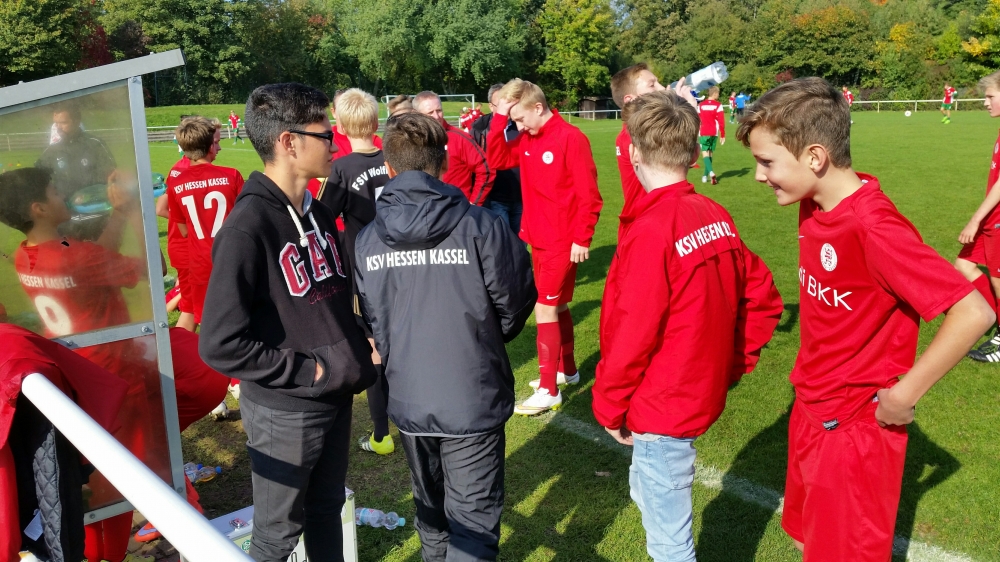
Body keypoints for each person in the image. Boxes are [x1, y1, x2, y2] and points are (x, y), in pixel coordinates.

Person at [737, 76, 993, 562]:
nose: (759, 176)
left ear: (815, 157)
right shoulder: (813, 203)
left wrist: (902, 396)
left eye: (766, 162)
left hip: (853, 426)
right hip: (810, 403)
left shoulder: (873, 226)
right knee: (806, 537)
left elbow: (973, 311)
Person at [594, 89, 783, 562]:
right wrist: (733, 363)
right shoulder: (713, 213)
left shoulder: (652, 229)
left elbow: (631, 332)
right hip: (690, 392)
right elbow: (763, 297)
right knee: (647, 492)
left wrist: (609, 404)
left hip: (662, 405)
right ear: (696, 153)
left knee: (670, 542)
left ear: (633, 153)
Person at [199, 83, 376, 562]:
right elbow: (219, 343)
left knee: (326, 508)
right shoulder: (246, 227)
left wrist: (360, 340)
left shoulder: (318, 212)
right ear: (289, 142)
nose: (336, 143)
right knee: (276, 535)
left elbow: (330, 297)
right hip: (286, 409)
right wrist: (308, 371)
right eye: (325, 134)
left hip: (336, 394)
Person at [354, 112, 535, 562]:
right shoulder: (481, 225)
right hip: (469, 394)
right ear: (443, 162)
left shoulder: (369, 239)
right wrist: (482, 339)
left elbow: (374, 319)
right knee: (466, 524)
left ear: (389, 167)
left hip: (413, 396)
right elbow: (514, 302)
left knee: (434, 516)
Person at [487, 78, 603, 415]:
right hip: (538, 238)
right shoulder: (527, 138)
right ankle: (568, 370)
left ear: (538, 107)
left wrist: (582, 237)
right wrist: (500, 117)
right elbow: (496, 158)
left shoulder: (571, 138)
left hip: (561, 240)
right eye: (514, 122)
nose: (519, 126)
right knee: (559, 305)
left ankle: (549, 390)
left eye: (521, 119)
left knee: (545, 309)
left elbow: (589, 195)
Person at [316, 88, 394, 455]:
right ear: (376, 122)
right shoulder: (393, 157)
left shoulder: (343, 168)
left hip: (365, 268)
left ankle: (381, 434)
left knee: (374, 346)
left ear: (341, 128)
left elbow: (321, 216)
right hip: (400, 261)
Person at [166, 116, 244, 328]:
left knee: (206, 320)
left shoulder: (176, 183)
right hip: (231, 257)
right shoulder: (232, 175)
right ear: (209, 146)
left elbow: (183, 229)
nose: (219, 147)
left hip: (200, 262)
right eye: (216, 143)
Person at [955, 70, 1000, 362]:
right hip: (991, 217)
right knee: (963, 264)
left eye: (990, 96)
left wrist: (975, 219)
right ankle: (995, 318)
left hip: (997, 218)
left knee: (998, 278)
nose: (985, 102)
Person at [609, 62, 665, 238]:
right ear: (630, 100)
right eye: (652, 85)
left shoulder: (635, 133)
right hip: (646, 225)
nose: (662, 89)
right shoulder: (635, 136)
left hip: (652, 220)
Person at [414, 91, 494, 205]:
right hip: (425, 210)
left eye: (439, 110)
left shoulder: (460, 138)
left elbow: (486, 170)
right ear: (417, 115)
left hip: (456, 209)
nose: (436, 116)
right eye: (430, 112)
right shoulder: (413, 141)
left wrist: (474, 203)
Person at [35, 103, 115, 198]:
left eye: (63, 123)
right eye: (56, 123)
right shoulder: (52, 150)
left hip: (94, 203)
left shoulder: (95, 144)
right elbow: (36, 179)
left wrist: (88, 195)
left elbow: (111, 174)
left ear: (77, 122)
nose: (58, 128)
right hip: (65, 205)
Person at [473, 83, 523, 235]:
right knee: (503, 240)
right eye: (501, 104)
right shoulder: (479, 128)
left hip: (522, 197)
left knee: (521, 243)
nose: (506, 109)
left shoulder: (521, 124)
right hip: (496, 198)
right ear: (491, 106)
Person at [697, 86, 726, 185]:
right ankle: (705, 176)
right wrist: (723, 134)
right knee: (710, 154)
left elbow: (698, 119)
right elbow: (721, 121)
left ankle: (711, 173)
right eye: (718, 93)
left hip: (703, 132)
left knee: (705, 153)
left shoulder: (701, 105)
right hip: (714, 132)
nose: (719, 95)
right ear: (714, 93)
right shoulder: (718, 105)